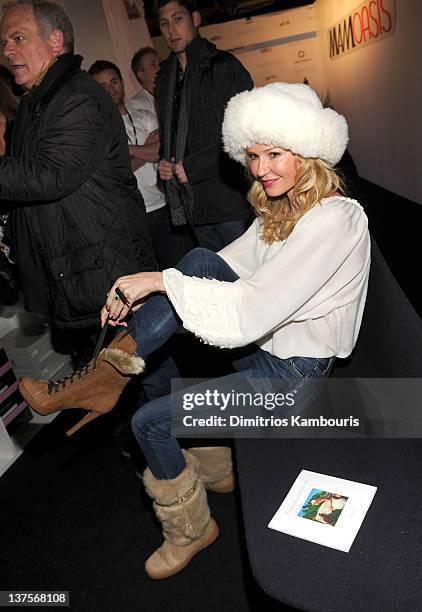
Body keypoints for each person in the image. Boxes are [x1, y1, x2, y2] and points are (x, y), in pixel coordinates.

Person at [19, 82, 371, 579]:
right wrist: (155, 287)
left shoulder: (337, 218)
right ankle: (195, 451)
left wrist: (155, 280)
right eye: (251, 155)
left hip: (291, 381)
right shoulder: (284, 209)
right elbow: (220, 264)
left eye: (274, 154)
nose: (259, 168)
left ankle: (189, 528)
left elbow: (252, 310)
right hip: (266, 355)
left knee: (149, 423)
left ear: (309, 153)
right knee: (195, 274)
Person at [0, 0, 156, 365]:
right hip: (76, 273)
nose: (8, 51)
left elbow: (49, 176)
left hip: (104, 275)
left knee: (142, 381)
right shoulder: (34, 104)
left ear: (55, 41)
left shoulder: (77, 97)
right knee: (108, 387)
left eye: (18, 38)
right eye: (5, 42)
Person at [155, 0, 254, 251]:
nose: (171, 30)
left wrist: (192, 166)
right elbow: (171, 135)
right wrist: (164, 162)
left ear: (196, 19)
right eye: (164, 23)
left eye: (178, 19)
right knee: (217, 283)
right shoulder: (166, 79)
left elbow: (247, 135)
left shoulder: (224, 67)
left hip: (230, 201)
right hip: (193, 206)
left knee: (252, 280)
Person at [89, 59, 190, 270]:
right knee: (148, 275)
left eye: (114, 81)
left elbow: (162, 151)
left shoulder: (144, 116)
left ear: (122, 82)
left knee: (180, 269)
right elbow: (115, 172)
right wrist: (146, 150)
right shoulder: (98, 129)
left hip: (164, 206)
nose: (111, 89)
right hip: (131, 215)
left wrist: (125, 150)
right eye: (103, 86)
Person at [127, 46, 160, 116]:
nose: (160, 67)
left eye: (160, 63)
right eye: (153, 65)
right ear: (142, 75)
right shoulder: (136, 105)